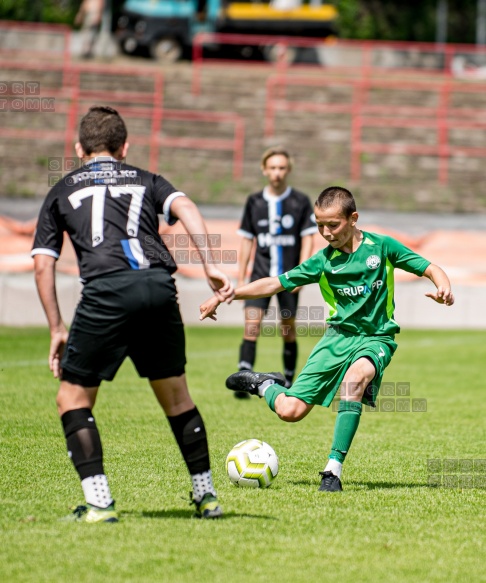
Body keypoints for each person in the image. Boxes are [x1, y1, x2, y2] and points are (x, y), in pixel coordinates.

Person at [32, 105, 234, 522]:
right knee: (177, 396)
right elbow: (188, 207)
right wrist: (211, 263)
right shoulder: (147, 179)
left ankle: (99, 502)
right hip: (159, 286)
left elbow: (42, 263)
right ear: (124, 147)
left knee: (72, 396)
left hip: (106, 290)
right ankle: (207, 495)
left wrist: (56, 327)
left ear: (78, 149)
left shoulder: (62, 189)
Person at [200, 186, 454, 492]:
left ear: (353, 218)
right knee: (289, 411)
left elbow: (428, 267)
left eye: (332, 225)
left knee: (355, 380)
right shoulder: (322, 261)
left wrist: (443, 287)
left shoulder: (382, 247)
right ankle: (263, 383)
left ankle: (332, 471)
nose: (326, 232)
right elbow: (274, 283)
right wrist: (226, 294)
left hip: (376, 338)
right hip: (335, 340)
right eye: (320, 225)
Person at [234, 146, 317, 398]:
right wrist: (240, 277)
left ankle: (290, 379)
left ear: (288, 170)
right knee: (251, 325)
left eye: (281, 168)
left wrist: (303, 273)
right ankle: (243, 380)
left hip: (289, 278)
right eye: (272, 168)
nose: (277, 173)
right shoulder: (255, 201)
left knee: (287, 328)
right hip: (260, 276)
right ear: (264, 170)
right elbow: (247, 240)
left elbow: (308, 239)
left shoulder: (299, 201)